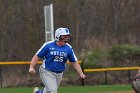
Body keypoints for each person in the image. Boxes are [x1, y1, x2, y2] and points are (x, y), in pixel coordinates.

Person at [29, 27, 86, 93]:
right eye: (64, 36)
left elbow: (74, 62)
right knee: (53, 91)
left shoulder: (68, 48)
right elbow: (37, 56)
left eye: (67, 36)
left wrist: (81, 73)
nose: (67, 38)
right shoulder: (48, 45)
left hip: (59, 73)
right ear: (58, 37)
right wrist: (31, 67)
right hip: (47, 71)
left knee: (48, 91)